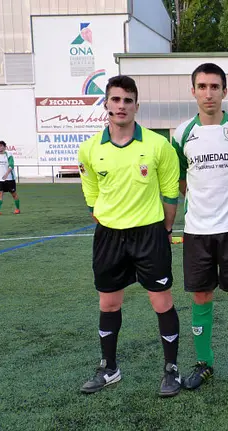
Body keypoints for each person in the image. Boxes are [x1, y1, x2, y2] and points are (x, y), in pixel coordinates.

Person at [77, 75, 182, 397]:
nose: (121, 106)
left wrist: (163, 229)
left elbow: (170, 193)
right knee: (108, 303)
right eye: (115, 99)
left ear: (137, 105)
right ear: (106, 103)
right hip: (109, 236)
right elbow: (91, 193)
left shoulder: (157, 145)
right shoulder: (90, 149)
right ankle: (109, 368)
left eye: (127, 100)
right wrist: (110, 218)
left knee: (161, 302)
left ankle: (171, 370)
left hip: (150, 233)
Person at [171, 63, 228, 390]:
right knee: (201, 296)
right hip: (197, 231)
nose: (208, 93)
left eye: (214, 86)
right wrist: (199, 199)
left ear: (225, 91)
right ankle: (203, 363)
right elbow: (178, 178)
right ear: (193, 90)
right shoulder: (181, 134)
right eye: (202, 86)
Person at [0, 141, 20, 215]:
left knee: (14, 194)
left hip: (9, 178)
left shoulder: (9, 155)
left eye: (0, 146)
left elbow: (11, 165)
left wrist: (6, 174)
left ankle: (17, 209)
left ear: (4, 147)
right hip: (0, 179)